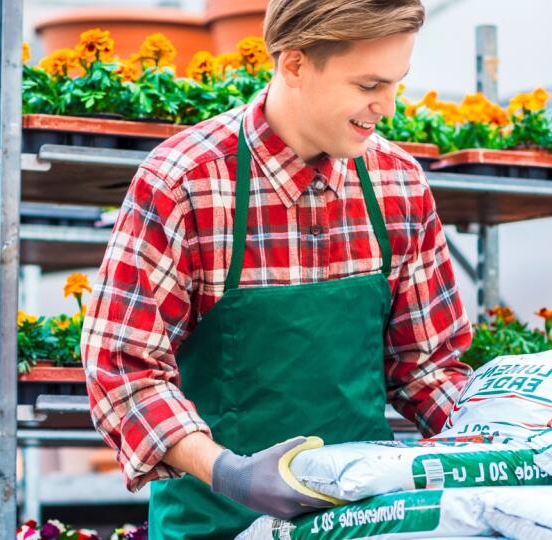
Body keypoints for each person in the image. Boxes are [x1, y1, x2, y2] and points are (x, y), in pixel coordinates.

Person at [81, 0, 473, 537]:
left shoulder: (398, 183)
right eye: (367, 86)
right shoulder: (185, 183)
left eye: (395, 84)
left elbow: (424, 368)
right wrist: (230, 472)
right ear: (293, 64)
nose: (386, 105)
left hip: (361, 524)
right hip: (216, 523)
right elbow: (123, 367)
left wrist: (506, 438)